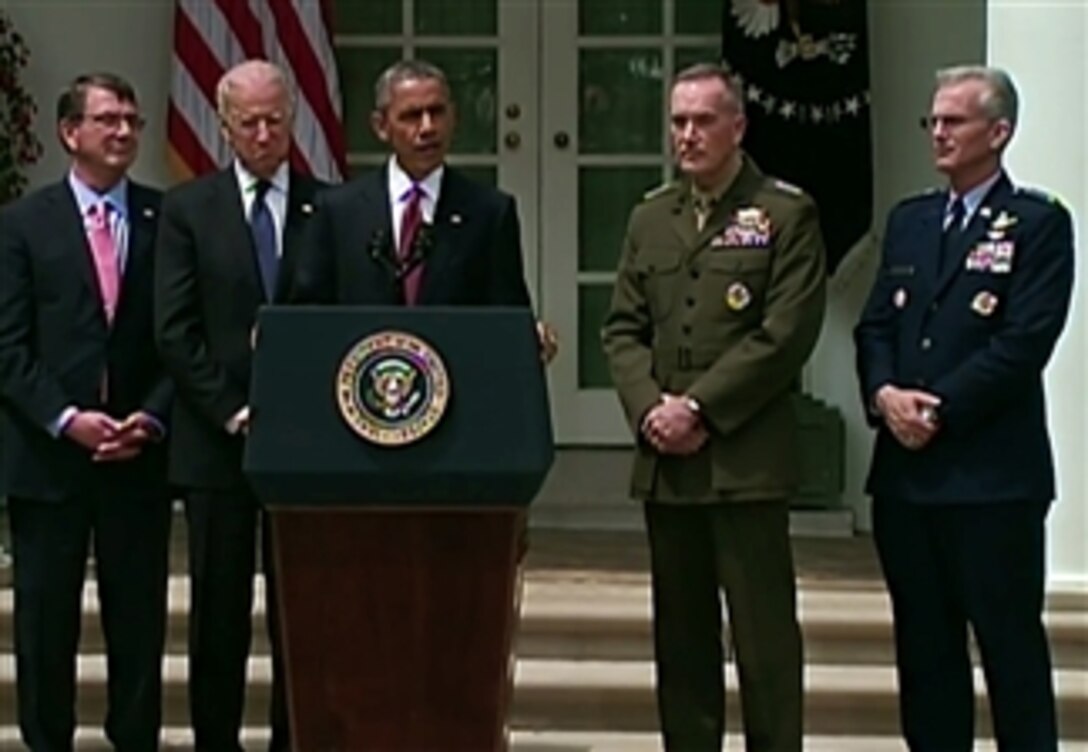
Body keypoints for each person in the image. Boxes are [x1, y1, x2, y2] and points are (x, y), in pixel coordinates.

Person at [601, 63, 826, 752]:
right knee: (682, 643)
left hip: (745, 463)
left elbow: (783, 336)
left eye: (703, 121)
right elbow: (622, 329)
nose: (689, 135)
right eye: (678, 121)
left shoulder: (785, 213)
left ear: (738, 126)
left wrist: (696, 407)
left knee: (763, 646)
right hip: (669, 469)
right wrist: (650, 412)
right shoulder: (652, 217)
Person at [854, 65, 1072, 752]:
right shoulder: (911, 220)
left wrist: (938, 410)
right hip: (907, 483)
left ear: (998, 132)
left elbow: (1023, 343)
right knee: (925, 654)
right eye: (933, 121)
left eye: (954, 121)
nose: (938, 133)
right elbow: (875, 328)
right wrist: (885, 396)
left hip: (991, 481)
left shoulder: (1038, 223)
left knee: (1009, 651)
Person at [154, 60, 325, 752]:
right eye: (248, 122)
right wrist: (232, 409)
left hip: (307, 444)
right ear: (223, 126)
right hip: (217, 443)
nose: (263, 133)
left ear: (292, 118)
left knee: (300, 614)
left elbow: (342, 318)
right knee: (219, 614)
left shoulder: (329, 206)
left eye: (275, 120)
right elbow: (174, 328)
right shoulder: (188, 209)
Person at [0, 72, 172, 751]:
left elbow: (177, 340)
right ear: (70, 133)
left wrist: (149, 418)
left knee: (138, 624)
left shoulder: (167, 219)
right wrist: (66, 419)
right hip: (49, 459)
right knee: (45, 626)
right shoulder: (20, 225)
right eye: (109, 120)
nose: (125, 131)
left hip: (137, 458)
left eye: (132, 119)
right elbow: (7, 347)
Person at [290, 59, 532, 310]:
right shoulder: (337, 211)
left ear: (454, 118)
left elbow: (508, 317)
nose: (427, 128)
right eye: (411, 116)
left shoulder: (490, 212)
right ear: (381, 126)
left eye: (437, 112)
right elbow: (309, 315)